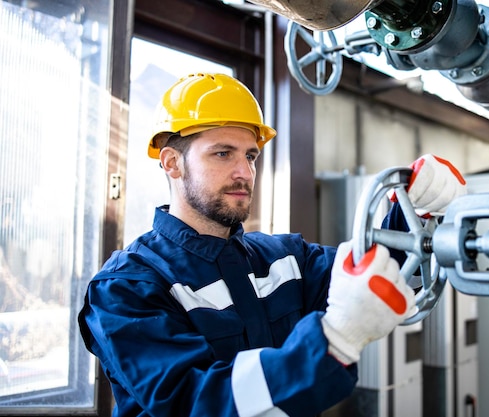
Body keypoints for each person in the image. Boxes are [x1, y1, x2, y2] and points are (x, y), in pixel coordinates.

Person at [78, 73, 466, 417]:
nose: (244, 172)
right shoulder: (126, 288)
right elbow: (196, 403)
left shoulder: (284, 259)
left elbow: (386, 271)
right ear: (172, 163)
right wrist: (335, 340)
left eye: (251, 155)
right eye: (222, 153)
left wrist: (419, 210)